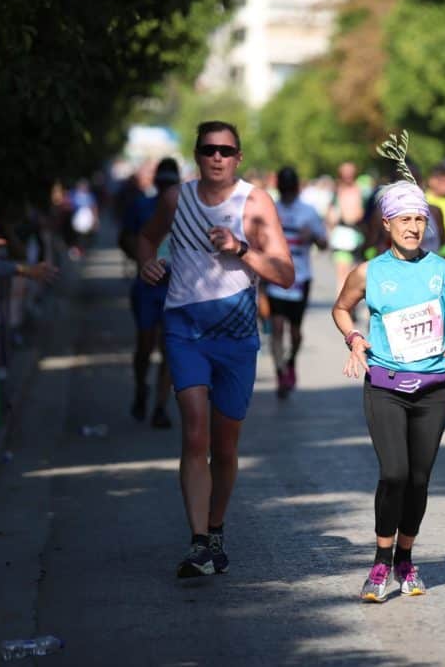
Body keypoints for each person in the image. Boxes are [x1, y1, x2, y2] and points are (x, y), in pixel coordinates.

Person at [137, 120, 294, 577]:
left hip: (238, 336)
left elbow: (284, 274)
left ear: (238, 157)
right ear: (197, 154)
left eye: (226, 150)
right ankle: (198, 542)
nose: (217, 158)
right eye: (209, 150)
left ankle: (217, 525)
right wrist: (147, 262)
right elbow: (147, 237)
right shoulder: (176, 199)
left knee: (225, 447)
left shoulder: (255, 201)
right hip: (186, 328)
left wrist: (240, 249)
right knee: (195, 433)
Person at [333, 133, 445, 602]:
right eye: (405, 219)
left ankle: (406, 558)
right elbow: (341, 309)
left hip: (433, 389)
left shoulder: (442, 270)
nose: (414, 227)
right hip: (384, 386)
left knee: (420, 478)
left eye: (420, 219)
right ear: (388, 223)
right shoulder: (368, 272)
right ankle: (380, 563)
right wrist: (356, 338)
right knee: (394, 473)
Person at [119, 158, 181, 427]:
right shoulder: (141, 206)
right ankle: (141, 388)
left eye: (171, 182)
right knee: (145, 345)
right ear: (156, 182)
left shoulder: (186, 211)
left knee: (169, 348)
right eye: (163, 182)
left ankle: (160, 406)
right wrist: (143, 261)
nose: (166, 187)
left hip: (176, 289)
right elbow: (124, 238)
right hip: (147, 288)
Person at [266, 166, 328, 397]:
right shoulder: (271, 208)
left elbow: (324, 244)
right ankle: (280, 372)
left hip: (300, 277)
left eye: (290, 189)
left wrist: (310, 236)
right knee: (277, 327)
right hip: (275, 275)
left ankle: (290, 362)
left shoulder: (308, 211)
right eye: (284, 189)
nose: (287, 194)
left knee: (295, 331)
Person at [328, 161, 366, 298]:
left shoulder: (361, 191)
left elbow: (364, 214)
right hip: (342, 236)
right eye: (345, 174)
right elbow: (330, 214)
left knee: (354, 274)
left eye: (350, 173)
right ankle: (343, 306)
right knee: (342, 273)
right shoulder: (336, 192)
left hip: (357, 236)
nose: (347, 176)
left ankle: (350, 303)